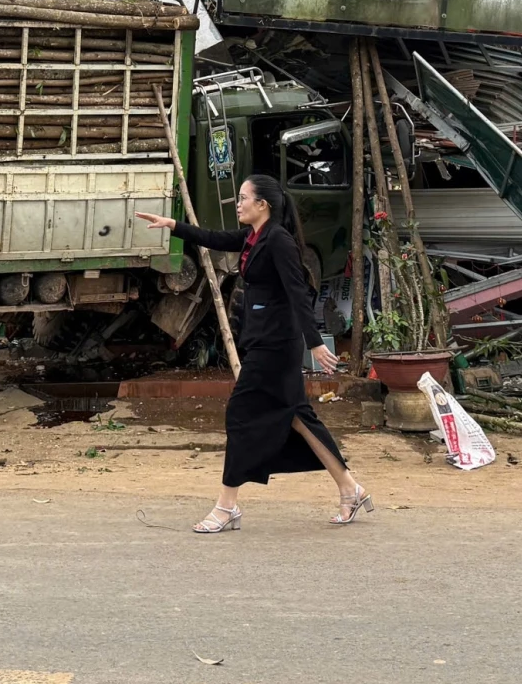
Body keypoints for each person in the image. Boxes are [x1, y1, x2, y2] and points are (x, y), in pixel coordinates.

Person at [139, 173, 369, 532]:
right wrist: (173, 225)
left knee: (241, 414)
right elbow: (214, 238)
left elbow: (298, 293)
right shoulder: (253, 236)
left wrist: (315, 342)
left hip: (277, 346)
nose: (239, 203)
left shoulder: (278, 241)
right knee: (297, 416)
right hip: (264, 341)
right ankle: (350, 488)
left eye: (244, 197)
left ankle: (226, 506)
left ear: (263, 204)